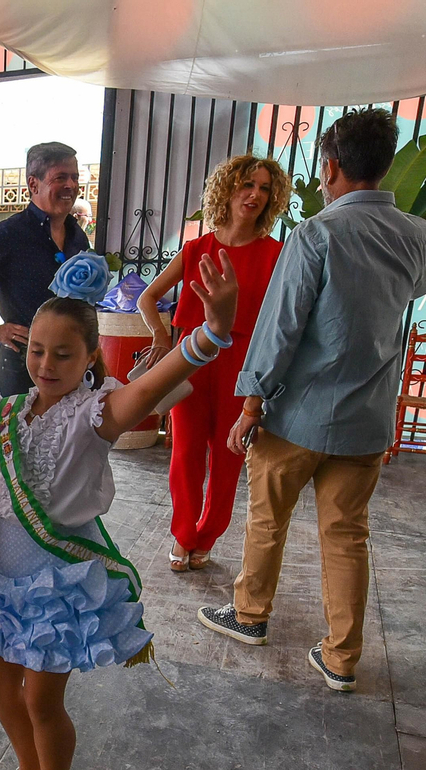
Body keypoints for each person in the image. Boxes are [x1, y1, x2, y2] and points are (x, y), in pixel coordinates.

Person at [0, 251, 241, 770]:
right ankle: (30, 769)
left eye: (63, 354)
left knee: (41, 698)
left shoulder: (94, 414)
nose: (46, 364)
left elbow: (150, 388)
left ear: (91, 357)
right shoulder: (3, 414)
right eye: (37, 350)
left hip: (59, 582)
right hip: (4, 575)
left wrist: (212, 332)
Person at [198, 108, 426, 694]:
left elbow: (281, 327)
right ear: (385, 166)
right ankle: (341, 657)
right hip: (367, 417)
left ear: (330, 167)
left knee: (268, 518)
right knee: (347, 534)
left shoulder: (316, 234)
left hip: (298, 415)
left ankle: (250, 616)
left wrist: (251, 404)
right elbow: (419, 286)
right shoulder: (418, 236)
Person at [137, 155, 290, 571]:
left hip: (242, 363)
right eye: (247, 185)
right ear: (228, 190)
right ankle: (184, 534)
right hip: (191, 358)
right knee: (185, 452)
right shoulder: (196, 248)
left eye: (264, 188)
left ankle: (207, 535)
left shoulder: (276, 254)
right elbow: (147, 298)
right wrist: (161, 336)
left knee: (229, 457)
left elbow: (282, 320)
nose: (255, 195)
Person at [0, 141, 91, 397]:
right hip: (21, 366)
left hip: (71, 365)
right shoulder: (11, 233)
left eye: (74, 178)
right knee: (13, 425)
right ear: (34, 184)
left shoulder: (77, 235)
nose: (71, 185)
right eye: (60, 178)